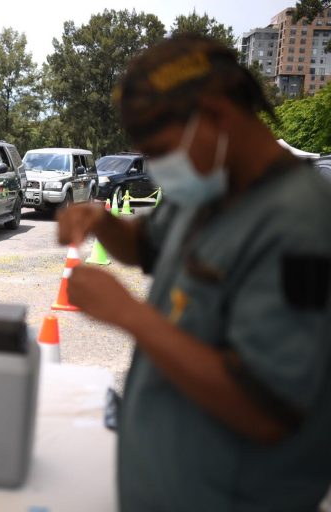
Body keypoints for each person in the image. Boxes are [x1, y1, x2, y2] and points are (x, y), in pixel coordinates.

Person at [57, 35, 331, 511]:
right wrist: (102, 221)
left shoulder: (299, 225)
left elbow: (266, 409)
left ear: (217, 115)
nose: (160, 169)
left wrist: (130, 315)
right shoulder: (209, 192)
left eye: (162, 151)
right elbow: (146, 246)